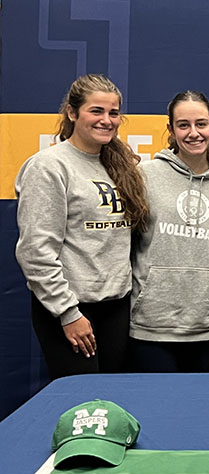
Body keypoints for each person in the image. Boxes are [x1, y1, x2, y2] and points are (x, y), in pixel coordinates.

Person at [15, 74, 149, 378]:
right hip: (70, 308)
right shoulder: (48, 166)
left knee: (110, 398)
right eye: (96, 111)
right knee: (82, 400)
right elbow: (35, 252)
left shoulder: (119, 164)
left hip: (115, 308)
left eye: (113, 113)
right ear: (72, 113)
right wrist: (67, 313)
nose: (106, 120)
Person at [129, 91, 209, 372]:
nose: (193, 133)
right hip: (152, 326)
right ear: (170, 130)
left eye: (201, 124)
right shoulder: (144, 175)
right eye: (183, 125)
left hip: (207, 327)